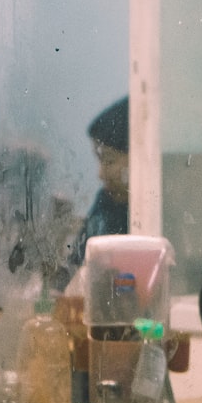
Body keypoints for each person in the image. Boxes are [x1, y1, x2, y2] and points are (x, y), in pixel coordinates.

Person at [52, 97, 129, 290]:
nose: (100, 174)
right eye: (99, 160)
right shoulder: (106, 202)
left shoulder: (153, 214)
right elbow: (70, 273)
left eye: (109, 161)